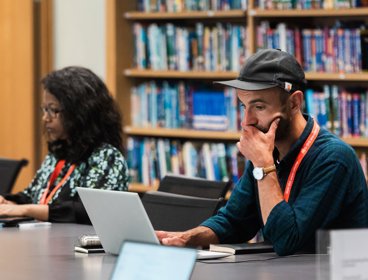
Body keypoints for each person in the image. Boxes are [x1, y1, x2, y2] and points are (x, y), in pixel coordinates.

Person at [156, 49, 368, 256]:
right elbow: (233, 221)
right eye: (243, 106)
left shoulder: (333, 158)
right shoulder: (267, 149)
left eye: (258, 107)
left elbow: (288, 241)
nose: (246, 120)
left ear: (294, 103)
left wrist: (264, 165)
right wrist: (186, 238)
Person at [0, 66, 129, 224]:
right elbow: (32, 196)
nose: (45, 118)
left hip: (80, 245)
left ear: (81, 112)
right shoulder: (59, 152)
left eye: (53, 111)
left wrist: (27, 209)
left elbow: (88, 211)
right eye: (44, 110)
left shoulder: (107, 157)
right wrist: (8, 203)